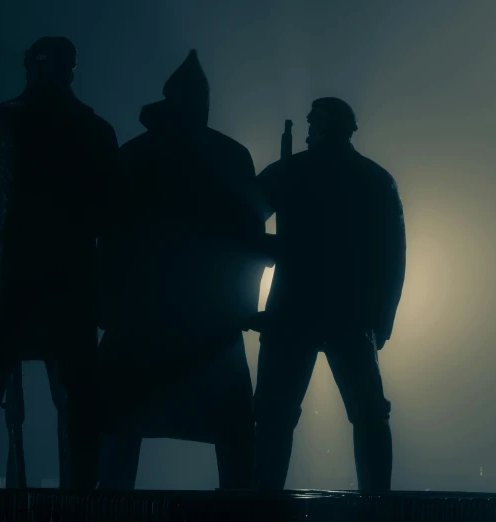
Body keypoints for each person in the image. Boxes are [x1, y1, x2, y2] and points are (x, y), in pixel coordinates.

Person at [0, 36, 124, 489]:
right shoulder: (95, 130)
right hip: (68, 287)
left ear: (29, 69)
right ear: (70, 70)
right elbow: (114, 216)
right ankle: (75, 506)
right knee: (77, 405)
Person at [96, 50, 268, 490]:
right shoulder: (231, 155)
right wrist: (245, 309)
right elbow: (249, 240)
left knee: (120, 425)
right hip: (210, 319)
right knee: (232, 431)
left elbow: (109, 235)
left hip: (140, 314)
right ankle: (239, 511)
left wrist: (107, 305)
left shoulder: (135, 153)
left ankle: (108, 509)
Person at [252, 97, 406, 492]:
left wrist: (272, 252)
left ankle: (261, 503)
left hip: (292, 310)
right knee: (370, 414)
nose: (306, 134)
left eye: (311, 125)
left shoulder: (289, 172)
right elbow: (393, 257)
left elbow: (241, 224)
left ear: (320, 127)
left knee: (273, 415)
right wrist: (382, 320)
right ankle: (377, 505)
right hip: (351, 314)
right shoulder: (375, 178)